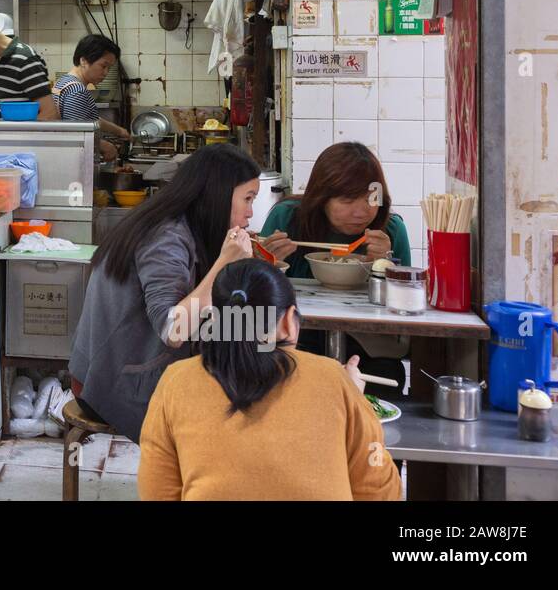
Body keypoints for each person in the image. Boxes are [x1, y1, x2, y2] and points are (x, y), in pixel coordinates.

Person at [137, 259, 402, 500]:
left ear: (216, 320)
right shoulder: (334, 379)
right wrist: (356, 400)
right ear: (288, 321)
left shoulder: (177, 382)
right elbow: (380, 491)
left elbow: (157, 493)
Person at [69, 143, 263, 441]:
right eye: (248, 199)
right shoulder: (165, 236)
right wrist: (225, 262)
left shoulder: (180, 224)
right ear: (218, 195)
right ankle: (197, 485)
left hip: (121, 368)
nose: (251, 213)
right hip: (107, 385)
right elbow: (173, 329)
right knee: (239, 412)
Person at [258, 142, 412, 387]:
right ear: (321, 198)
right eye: (347, 200)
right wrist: (269, 262)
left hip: (367, 345)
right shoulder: (287, 218)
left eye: (370, 199)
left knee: (388, 374)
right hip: (298, 336)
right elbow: (254, 294)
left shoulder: (391, 231)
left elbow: (404, 305)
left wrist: (388, 263)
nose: (361, 212)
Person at [53, 34, 132, 161]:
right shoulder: (76, 91)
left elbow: (87, 119)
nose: (106, 73)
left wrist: (119, 131)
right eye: (103, 66)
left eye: (109, 68)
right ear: (83, 61)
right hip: (72, 162)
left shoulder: (64, 82)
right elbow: (76, 135)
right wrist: (105, 146)